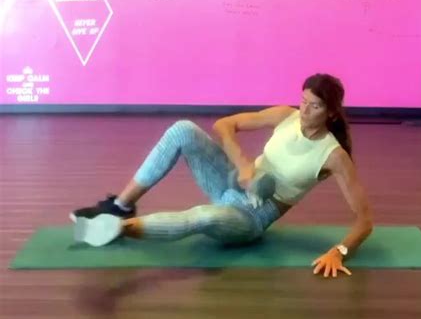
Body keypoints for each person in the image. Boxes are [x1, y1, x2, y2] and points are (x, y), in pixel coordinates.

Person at [71, 73, 373, 278]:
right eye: (303, 100)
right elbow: (224, 125)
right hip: (233, 183)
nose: (304, 110)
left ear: (331, 113)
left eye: (315, 106)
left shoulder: (334, 157)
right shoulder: (286, 116)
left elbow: (364, 221)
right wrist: (242, 163)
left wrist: (339, 251)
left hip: (253, 216)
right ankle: (120, 205)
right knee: (183, 130)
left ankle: (115, 228)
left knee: (204, 216)